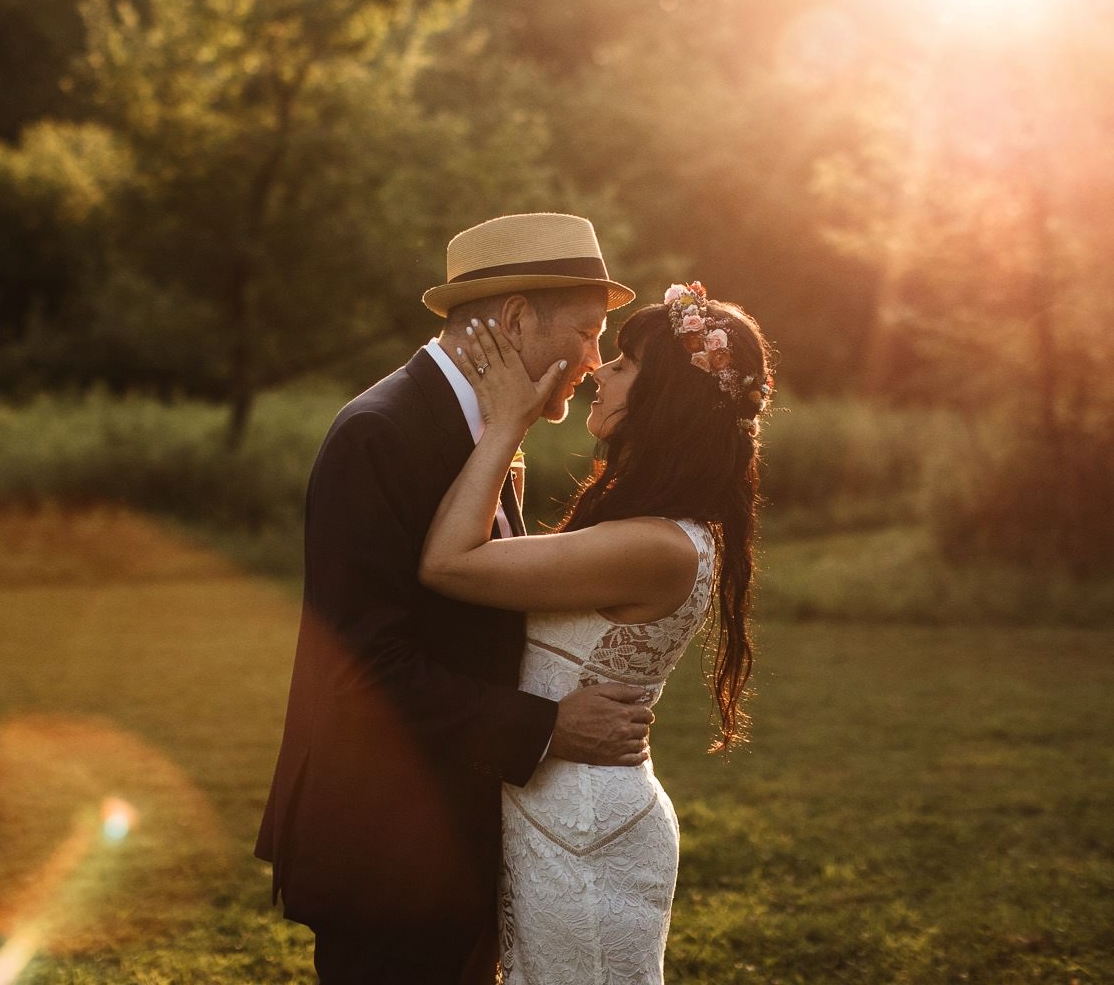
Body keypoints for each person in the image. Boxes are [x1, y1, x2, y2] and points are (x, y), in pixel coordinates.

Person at [255, 213, 659, 985]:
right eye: (586, 332)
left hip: (449, 842)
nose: (595, 361)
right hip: (384, 855)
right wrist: (550, 727)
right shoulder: (380, 435)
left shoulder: (481, 434)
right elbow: (360, 673)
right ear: (513, 321)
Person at [419, 280, 773, 983]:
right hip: (557, 816)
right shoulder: (649, 532)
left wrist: (508, 423)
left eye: (626, 363)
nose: (599, 372)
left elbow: (448, 563)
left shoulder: (654, 545)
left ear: (667, 399)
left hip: (586, 834)